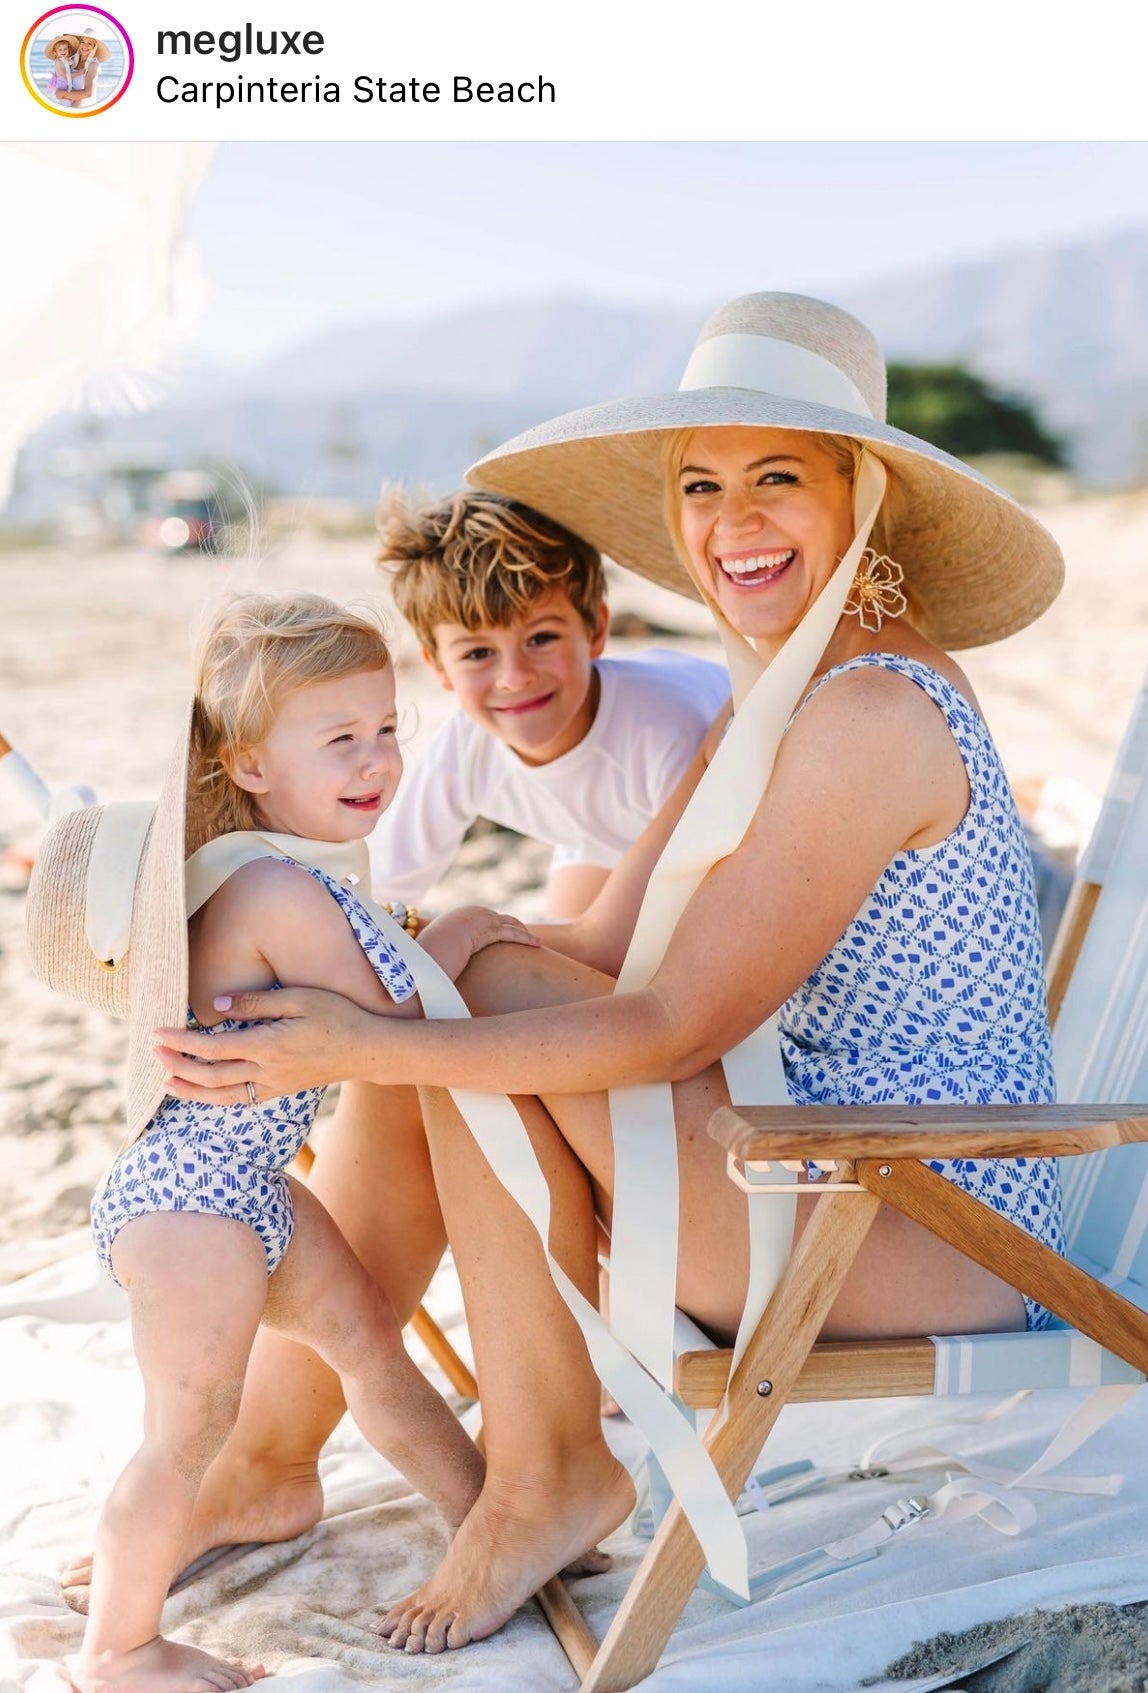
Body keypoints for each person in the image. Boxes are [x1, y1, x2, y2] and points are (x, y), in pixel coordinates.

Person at [106, 292, 1068, 1656]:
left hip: (912, 1211)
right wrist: (428, 972)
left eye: (777, 478)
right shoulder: (784, 688)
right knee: (458, 961)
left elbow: (672, 1022)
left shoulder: (869, 712)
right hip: (803, 1165)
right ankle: (270, 1455)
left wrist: (364, 1040)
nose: (731, 520)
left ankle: (551, 1465)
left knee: (456, 1004)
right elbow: (607, 945)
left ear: (864, 497)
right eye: (700, 484)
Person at [31, 592, 538, 1691]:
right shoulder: (272, 887)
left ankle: (499, 1522)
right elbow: (402, 1029)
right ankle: (116, 1650)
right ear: (253, 767)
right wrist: (460, 930)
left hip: (245, 1177)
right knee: (189, 1424)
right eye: (339, 740)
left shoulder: (277, 869)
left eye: (388, 728)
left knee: (368, 1343)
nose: (376, 761)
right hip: (190, 1199)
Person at [370, 487, 730, 918]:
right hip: (606, 838)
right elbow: (379, 889)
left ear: (595, 630)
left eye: (541, 639)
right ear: (439, 666)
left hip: (733, 837)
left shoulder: (665, 731)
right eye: (477, 654)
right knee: (561, 944)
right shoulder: (464, 749)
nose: (515, 677)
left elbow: (713, 910)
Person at [43, 34, 80, 102]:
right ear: (56, 52)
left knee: (75, 95)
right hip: (62, 84)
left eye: (65, 49)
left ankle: (67, 98)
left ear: (68, 49)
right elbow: (65, 76)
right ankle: (64, 98)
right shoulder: (58, 61)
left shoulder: (65, 60)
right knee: (68, 96)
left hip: (67, 83)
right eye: (60, 50)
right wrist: (79, 73)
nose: (63, 51)